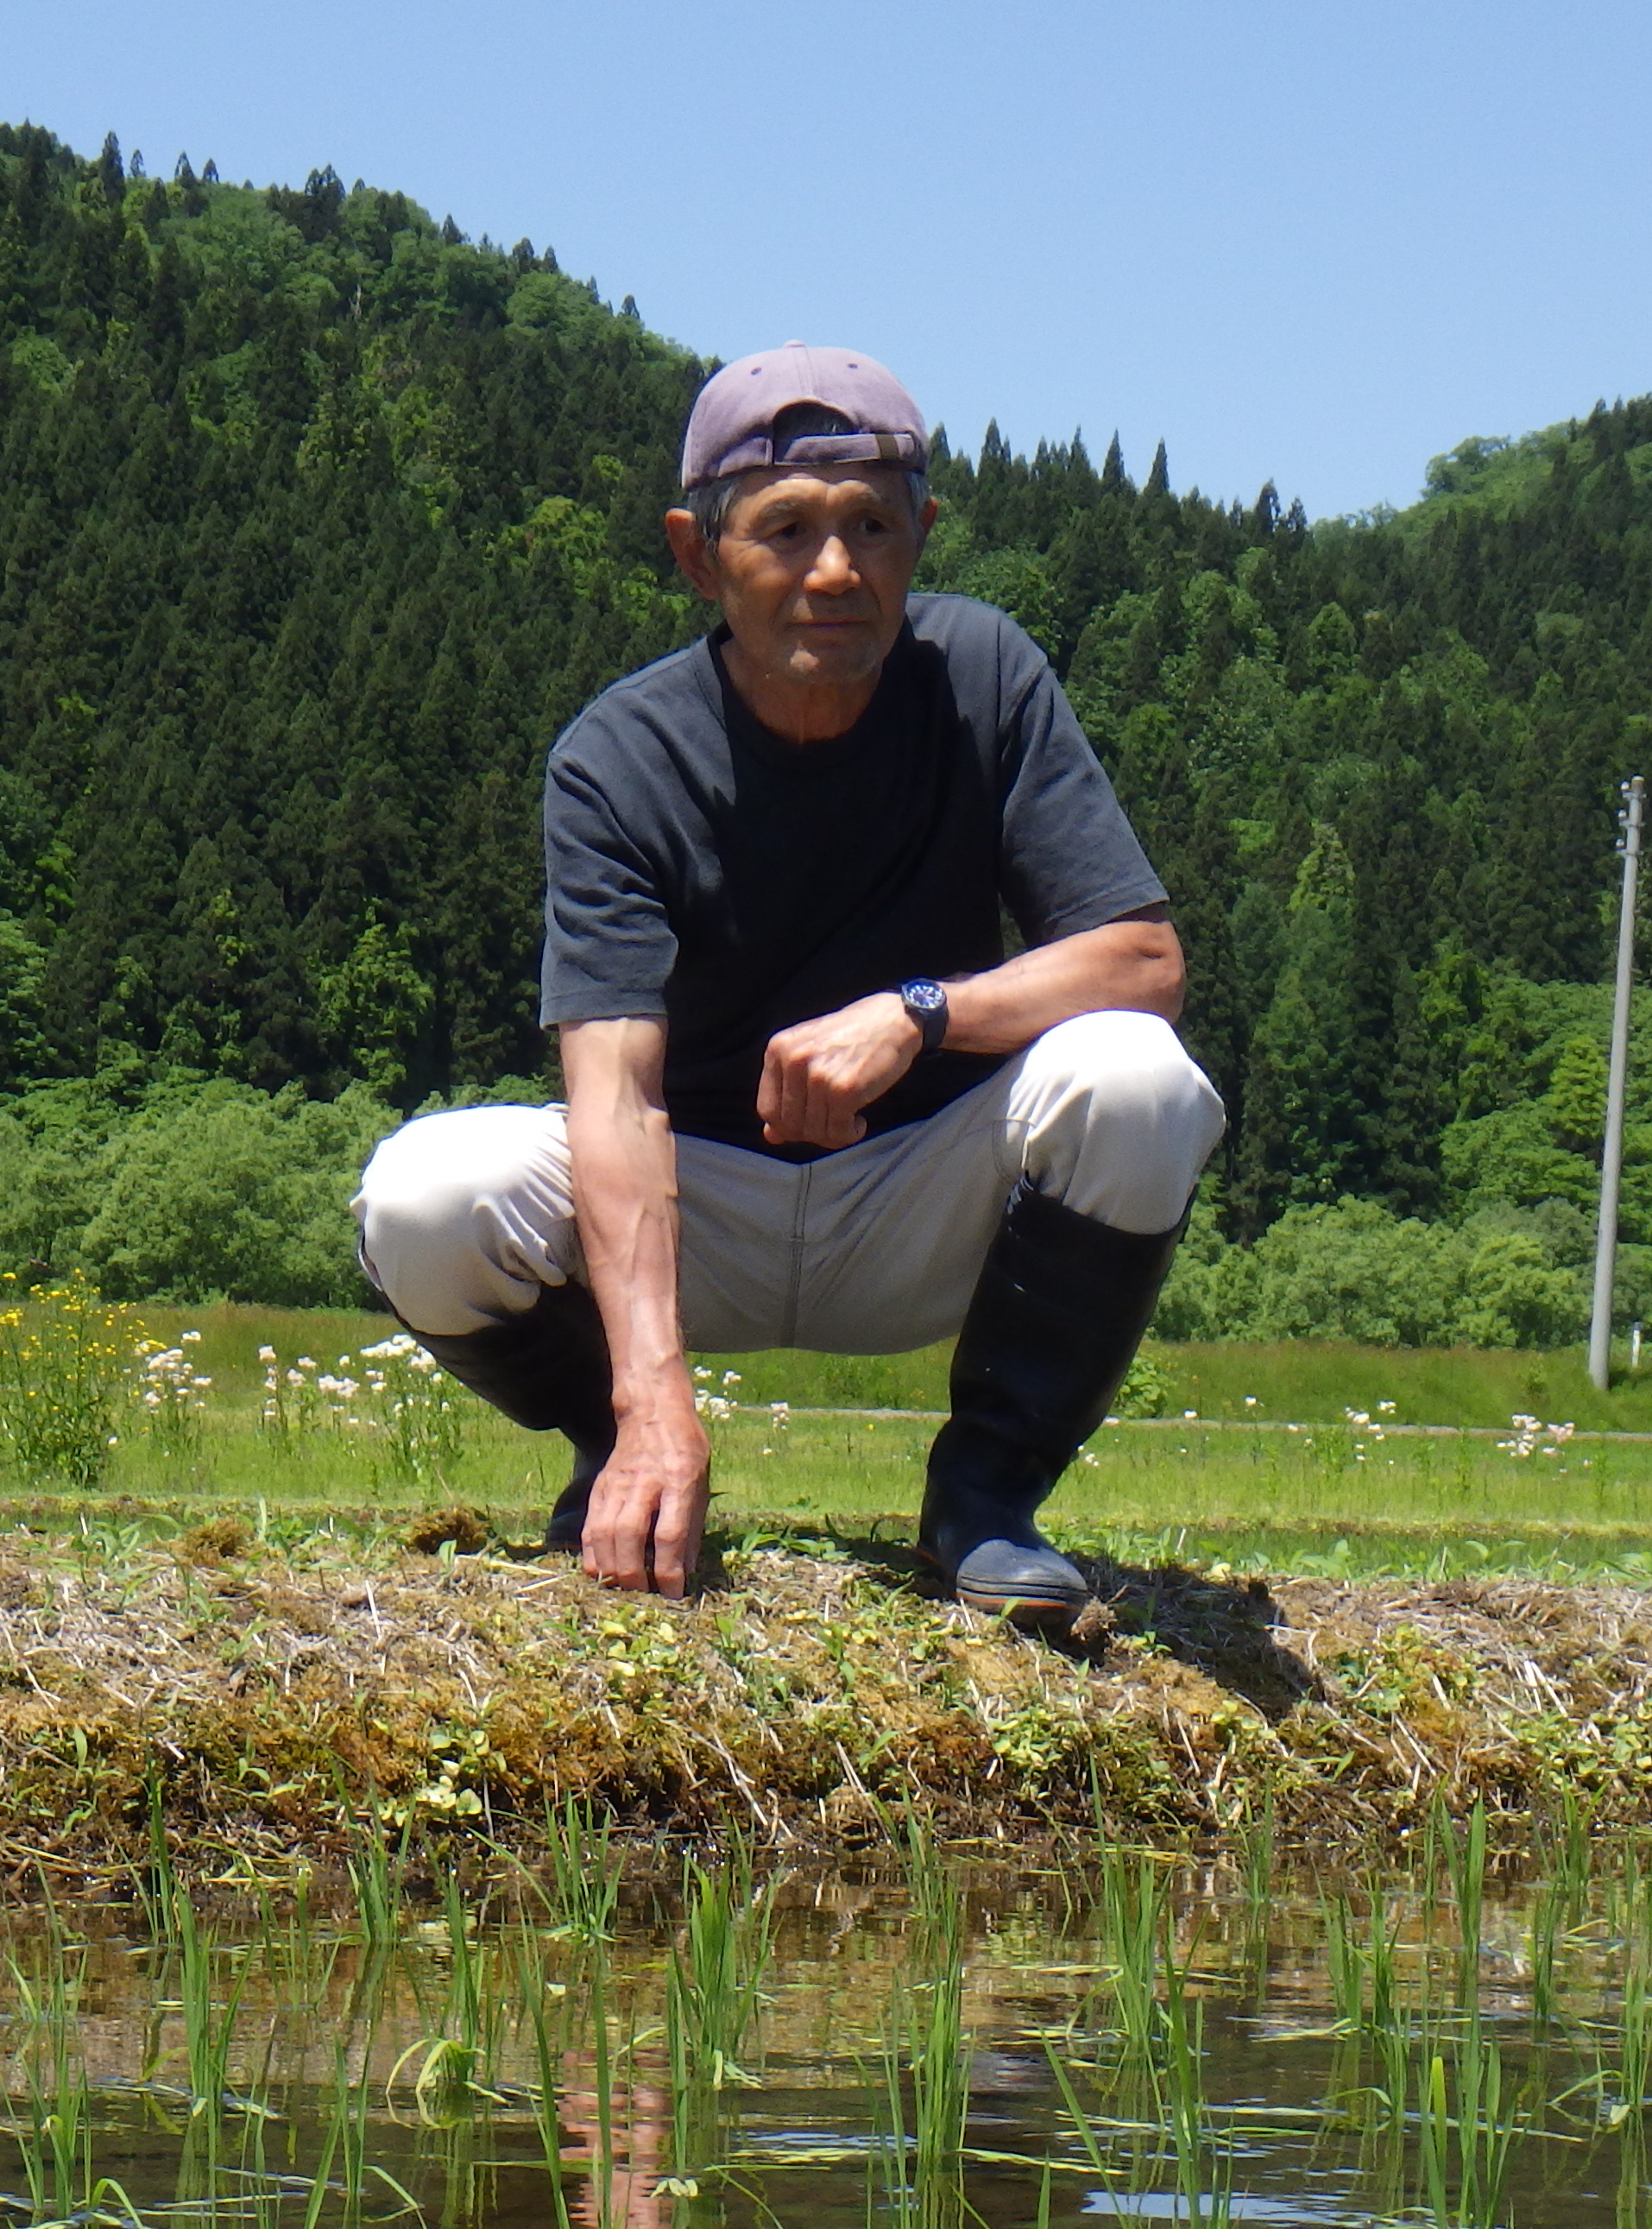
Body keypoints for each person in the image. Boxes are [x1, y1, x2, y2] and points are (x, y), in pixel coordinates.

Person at [354, 342, 1224, 1624]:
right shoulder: (620, 758)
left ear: (925, 535)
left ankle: (984, 1497)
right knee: (421, 1199)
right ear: (699, 555)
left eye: (875, 526)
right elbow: (613, 1099)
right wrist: (655, 1403)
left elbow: (1143, 962)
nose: (836, 570)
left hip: (928, 1196)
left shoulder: (982, 678)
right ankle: (618, 1460)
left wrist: (920, 1014)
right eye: (789, 530)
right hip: (700, 1202)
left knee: (1143, 1082)